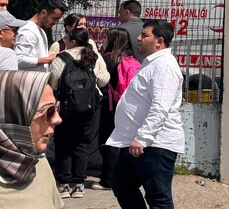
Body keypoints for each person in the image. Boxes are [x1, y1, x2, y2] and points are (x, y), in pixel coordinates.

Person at [107, 20, 184, 208]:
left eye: (145, 35)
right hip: (136, 141)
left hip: (154, 144)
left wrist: (143, 138)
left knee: (158, 197)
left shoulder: (164, 66)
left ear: (159, 41)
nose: (139, 38)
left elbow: (160, 107)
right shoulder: (152, 63)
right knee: (121, 184)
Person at [48, 27, 109, 199]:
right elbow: (104, 80)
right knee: (83, 144)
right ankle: (79, 184)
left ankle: (64, 184)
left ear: (73, 41)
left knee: (63, 144)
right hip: (89, 109)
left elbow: (53, 83)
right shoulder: (94, 57)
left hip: (65, 108)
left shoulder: (61, 58)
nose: (65, 41)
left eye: (67, 39)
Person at [0, 70, 64, 208]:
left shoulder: (38, 163)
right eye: (49, 111)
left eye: (56, 108)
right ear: (15, 115)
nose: (58, 119)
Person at [97, 28, 140, 191]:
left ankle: (108, 180)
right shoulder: (131, 58)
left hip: (110, 106)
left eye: (106, 38)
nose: (103, 41)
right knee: (122, 141)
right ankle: (124, 176)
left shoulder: (107, 59)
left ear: (112, 40)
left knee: (107, 141)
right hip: (127, 105)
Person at [14, 0, 67, 71]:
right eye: (55, 18)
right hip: (28, 78)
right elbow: (18, 59)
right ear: (43, 13)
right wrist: (47, 60)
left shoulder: (39, 30)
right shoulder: (28, 30)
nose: (56, 22)